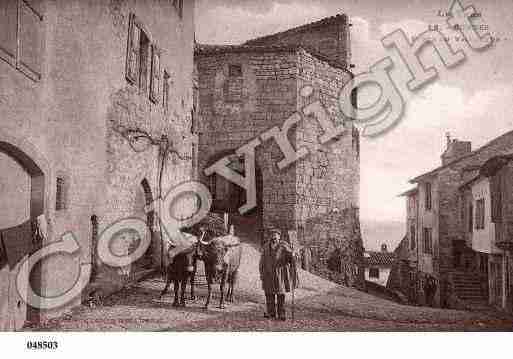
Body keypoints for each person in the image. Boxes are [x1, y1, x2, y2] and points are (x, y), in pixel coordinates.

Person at [259, 227, 297, 321]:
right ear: (270, 237)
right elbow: (262, 261)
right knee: (269, 294)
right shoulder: (266, 247)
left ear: (279, 237)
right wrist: (261, 272)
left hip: (280, 274)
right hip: (268, 274)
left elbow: (291, 258)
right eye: (272, 237)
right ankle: (271, 313)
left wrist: (293, 255)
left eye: (275, 237)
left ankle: (281, 314)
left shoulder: (284, 245)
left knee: (280, 295)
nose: (273, 239)